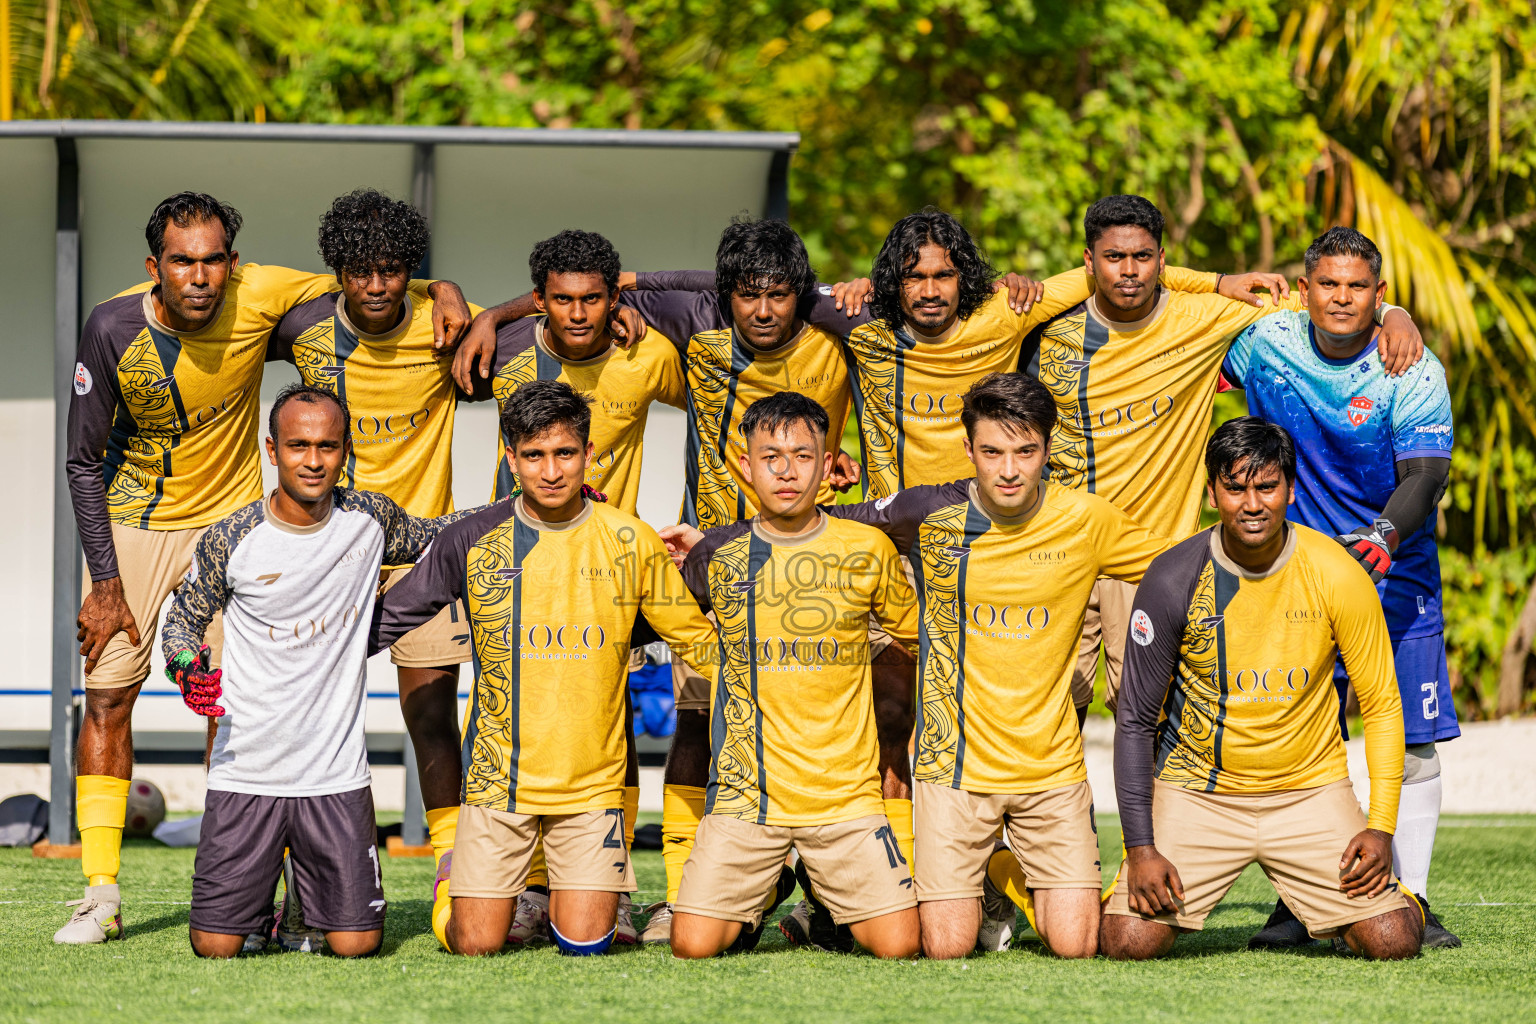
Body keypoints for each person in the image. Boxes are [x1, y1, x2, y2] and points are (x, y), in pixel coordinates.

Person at [59, 189, 471, 945]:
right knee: (108, 697)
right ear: (155, 267)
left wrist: (444, 289)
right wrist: (106, 582)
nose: (199, 276)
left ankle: (262, 887)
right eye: (182, 261)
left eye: (214, 260)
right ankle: (101, 891)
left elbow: (376, 283)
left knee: (240, 706)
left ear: (234, 264)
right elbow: (82, 461)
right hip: (138, 524)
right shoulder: (112, 326)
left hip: (234, 523)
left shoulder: (268, 294)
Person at [1023, 195, 1423, 720]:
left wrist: (1396, 315)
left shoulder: (1204, 319)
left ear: (1162, 262)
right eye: (1113, 258)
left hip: (1148, 553)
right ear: (1088, 261)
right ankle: (1065, 809)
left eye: (1142, 257)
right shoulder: (1048, 331)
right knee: (1052, 706)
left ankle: (1154, 808)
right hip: (1062, 548)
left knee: (1142, 708)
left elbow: (1331, 302)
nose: (1128, 271)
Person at [370, 380, 720, 957]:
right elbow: (391, 618)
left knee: (586, 945)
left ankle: (565, 894)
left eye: (564, 454)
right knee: (473, 945)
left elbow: (699, 641)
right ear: (511, 458)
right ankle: (453, 887)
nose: (550, 471)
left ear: (587, 456)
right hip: (495, 787)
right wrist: (299, 651)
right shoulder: (471, 537)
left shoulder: (629, 540)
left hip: (591, 792)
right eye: (533, 455)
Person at [823, 373, 1164, 959]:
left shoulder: (1088, 519)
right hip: (954, 770)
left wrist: (1307, 556)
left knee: (1077, 945)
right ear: (968, 450)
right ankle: (983, 871)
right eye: (993, 452)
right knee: (947, 948)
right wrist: (707, 540)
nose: (1009, 470)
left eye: (1025, 452)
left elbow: (1182, 567)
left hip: (1050, 772)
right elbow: (818, 527)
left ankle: (1003, 871)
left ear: (1047, 451)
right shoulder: (928, 511)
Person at [158, 384, 469, 959]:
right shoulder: (232, 536)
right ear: (272, 450)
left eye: (328, 446)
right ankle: (262, 901)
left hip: (335, 775)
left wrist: (528, 502)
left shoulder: (369, 519)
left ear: (345, 450)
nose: (314, 460)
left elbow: (439, 535)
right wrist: (186, 667)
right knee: (215, 947)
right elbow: (180, 623)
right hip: (245, 772)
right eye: (299, 445)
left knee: (355, 944)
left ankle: (305, 894)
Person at [1102, 417, 1423, 961]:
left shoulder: (1339, 573)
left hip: (1310, 789)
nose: (1252, 504)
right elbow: (1134, 720)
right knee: (1126, 942)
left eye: (1267, 486)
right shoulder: (1172, 577)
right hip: (1198, 792)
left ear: (1290, 490)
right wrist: (1141, 849)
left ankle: (1399, 898)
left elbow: (1384, 707)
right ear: (1212, 493)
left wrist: (1381, 828)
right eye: (1235, 487)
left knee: (1393, 941)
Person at [1220, 227, 1460, 948]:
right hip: (1293, 576)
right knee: (1302, 743)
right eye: (1329, 284)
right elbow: (1172, 323)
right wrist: (1220, 281)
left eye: (1359, 288)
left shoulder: (1413, 367)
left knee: (1413, 744)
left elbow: (1427, 476)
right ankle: (1301, 900)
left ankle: (1411, 895)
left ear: (1378, 294)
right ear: (1306, 287)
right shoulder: (1266, 344)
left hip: (1397, 573)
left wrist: (1383, 536)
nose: (1343, 298)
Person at [448, 228, 688, 944]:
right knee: (498, 709)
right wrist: (488, 314)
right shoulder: (507, 348)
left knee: (607, 721)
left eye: (594, 298)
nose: (578, 313)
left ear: (615, 297)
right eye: (561, 299)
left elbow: (722, 388)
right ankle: (516, 884)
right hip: (514, 565)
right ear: (539, 301)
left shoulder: (650, 355)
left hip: (610, 565)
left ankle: (606, 883)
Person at [268, 188, 482, 894]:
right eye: (360, 271)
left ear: (409, 270)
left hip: (425, 557)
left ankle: (452, 869)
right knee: (311, 717)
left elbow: (535, 315)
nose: (377, 285)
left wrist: (447, 289)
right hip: (329, 555)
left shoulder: (443, 323)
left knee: (430, 716)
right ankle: (308, 880)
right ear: (338, 273)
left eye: (392, 269)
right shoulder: (304, 329)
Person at [668, 391, 922, 960]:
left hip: (844, 800)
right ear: (745, 465)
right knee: (693, 946)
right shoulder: (717, 554)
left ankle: (822, 887)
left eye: (804, 456)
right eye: (771, 457)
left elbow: (916, 638)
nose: (787, 471)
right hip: (746, 799)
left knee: (901, 947)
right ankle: (770, 885)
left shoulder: (868, 548)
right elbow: (658, 618)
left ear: (829, 466)